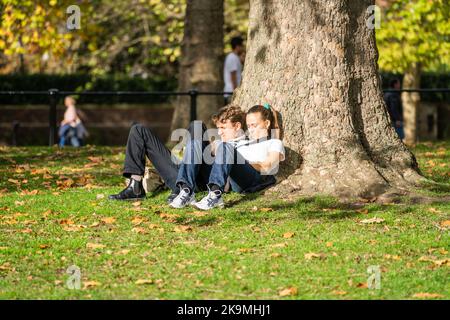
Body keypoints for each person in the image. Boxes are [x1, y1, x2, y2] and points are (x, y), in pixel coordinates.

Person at [108, 105, 247, 203]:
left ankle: (184, 189)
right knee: (138, 130)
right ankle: (135, 186)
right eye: (218, 128)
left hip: (202, 182)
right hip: (182, 173)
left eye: (223, 128)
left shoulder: (246, 147)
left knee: (198, 127)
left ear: (237, 127)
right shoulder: (218, 141)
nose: (219, 132)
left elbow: (231, 182)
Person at [171, 103, 285, 210]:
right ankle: (186, 190)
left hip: (252, 178)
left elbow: (267, 167)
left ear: (267, 123)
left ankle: (215, 194)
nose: (250, 129)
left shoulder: (274, 143)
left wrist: (240, 161)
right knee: (196, 143)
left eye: (254, 125)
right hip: (233, 178)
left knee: (225, 146)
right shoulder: (243, 141)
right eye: (249, 126)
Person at [223, 36, 245, 105]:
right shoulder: (232, 58)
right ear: (237, 46)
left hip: (232, 92)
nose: (243, 48)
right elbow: (233, 76)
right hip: (231, 92)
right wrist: (236, 92)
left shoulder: (235, 57)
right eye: (241, 46)